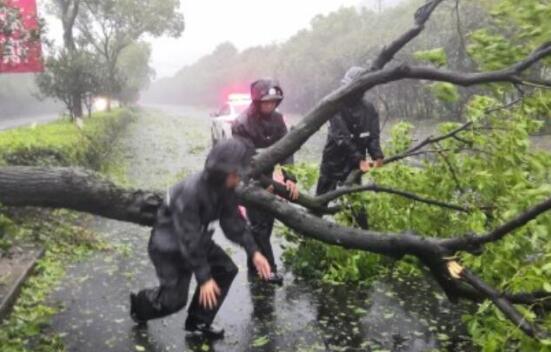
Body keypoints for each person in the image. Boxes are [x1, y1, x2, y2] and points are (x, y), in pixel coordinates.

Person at [129, 139, 272, 339]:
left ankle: (199, 321)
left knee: (225, 269)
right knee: (173, 302)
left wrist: (254, 252)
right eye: (235, 174)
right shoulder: (191, 192)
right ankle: (139, 305)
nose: (239, 178)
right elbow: (188, 237)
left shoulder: (226, 189)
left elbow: (233, 223)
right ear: (222, 173)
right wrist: (204, 278)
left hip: (195, 239)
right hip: (168, 246)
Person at [232, 78, 299, 285]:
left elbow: (286, 150)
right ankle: (269, 270)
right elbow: (246, 162)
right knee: (259, 226)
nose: (269, 105)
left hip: (267, 177)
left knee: (266, 224)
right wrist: (263, 183)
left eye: (273, 101)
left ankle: (254, 266)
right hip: (246, 180)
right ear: (257, 101)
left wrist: (290, 179)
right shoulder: (242, 124)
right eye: (265, 102)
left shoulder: (278, 120)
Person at [316, 67, 384, 229]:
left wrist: (377, 155)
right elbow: (341, 136)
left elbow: (373, 135)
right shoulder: (335, 104)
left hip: (354, 167)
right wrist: (359, 159)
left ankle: (363, 239)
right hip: (333, 163)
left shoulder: (369, 108)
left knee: (356, 206)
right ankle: (307, 240)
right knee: (319, 204)